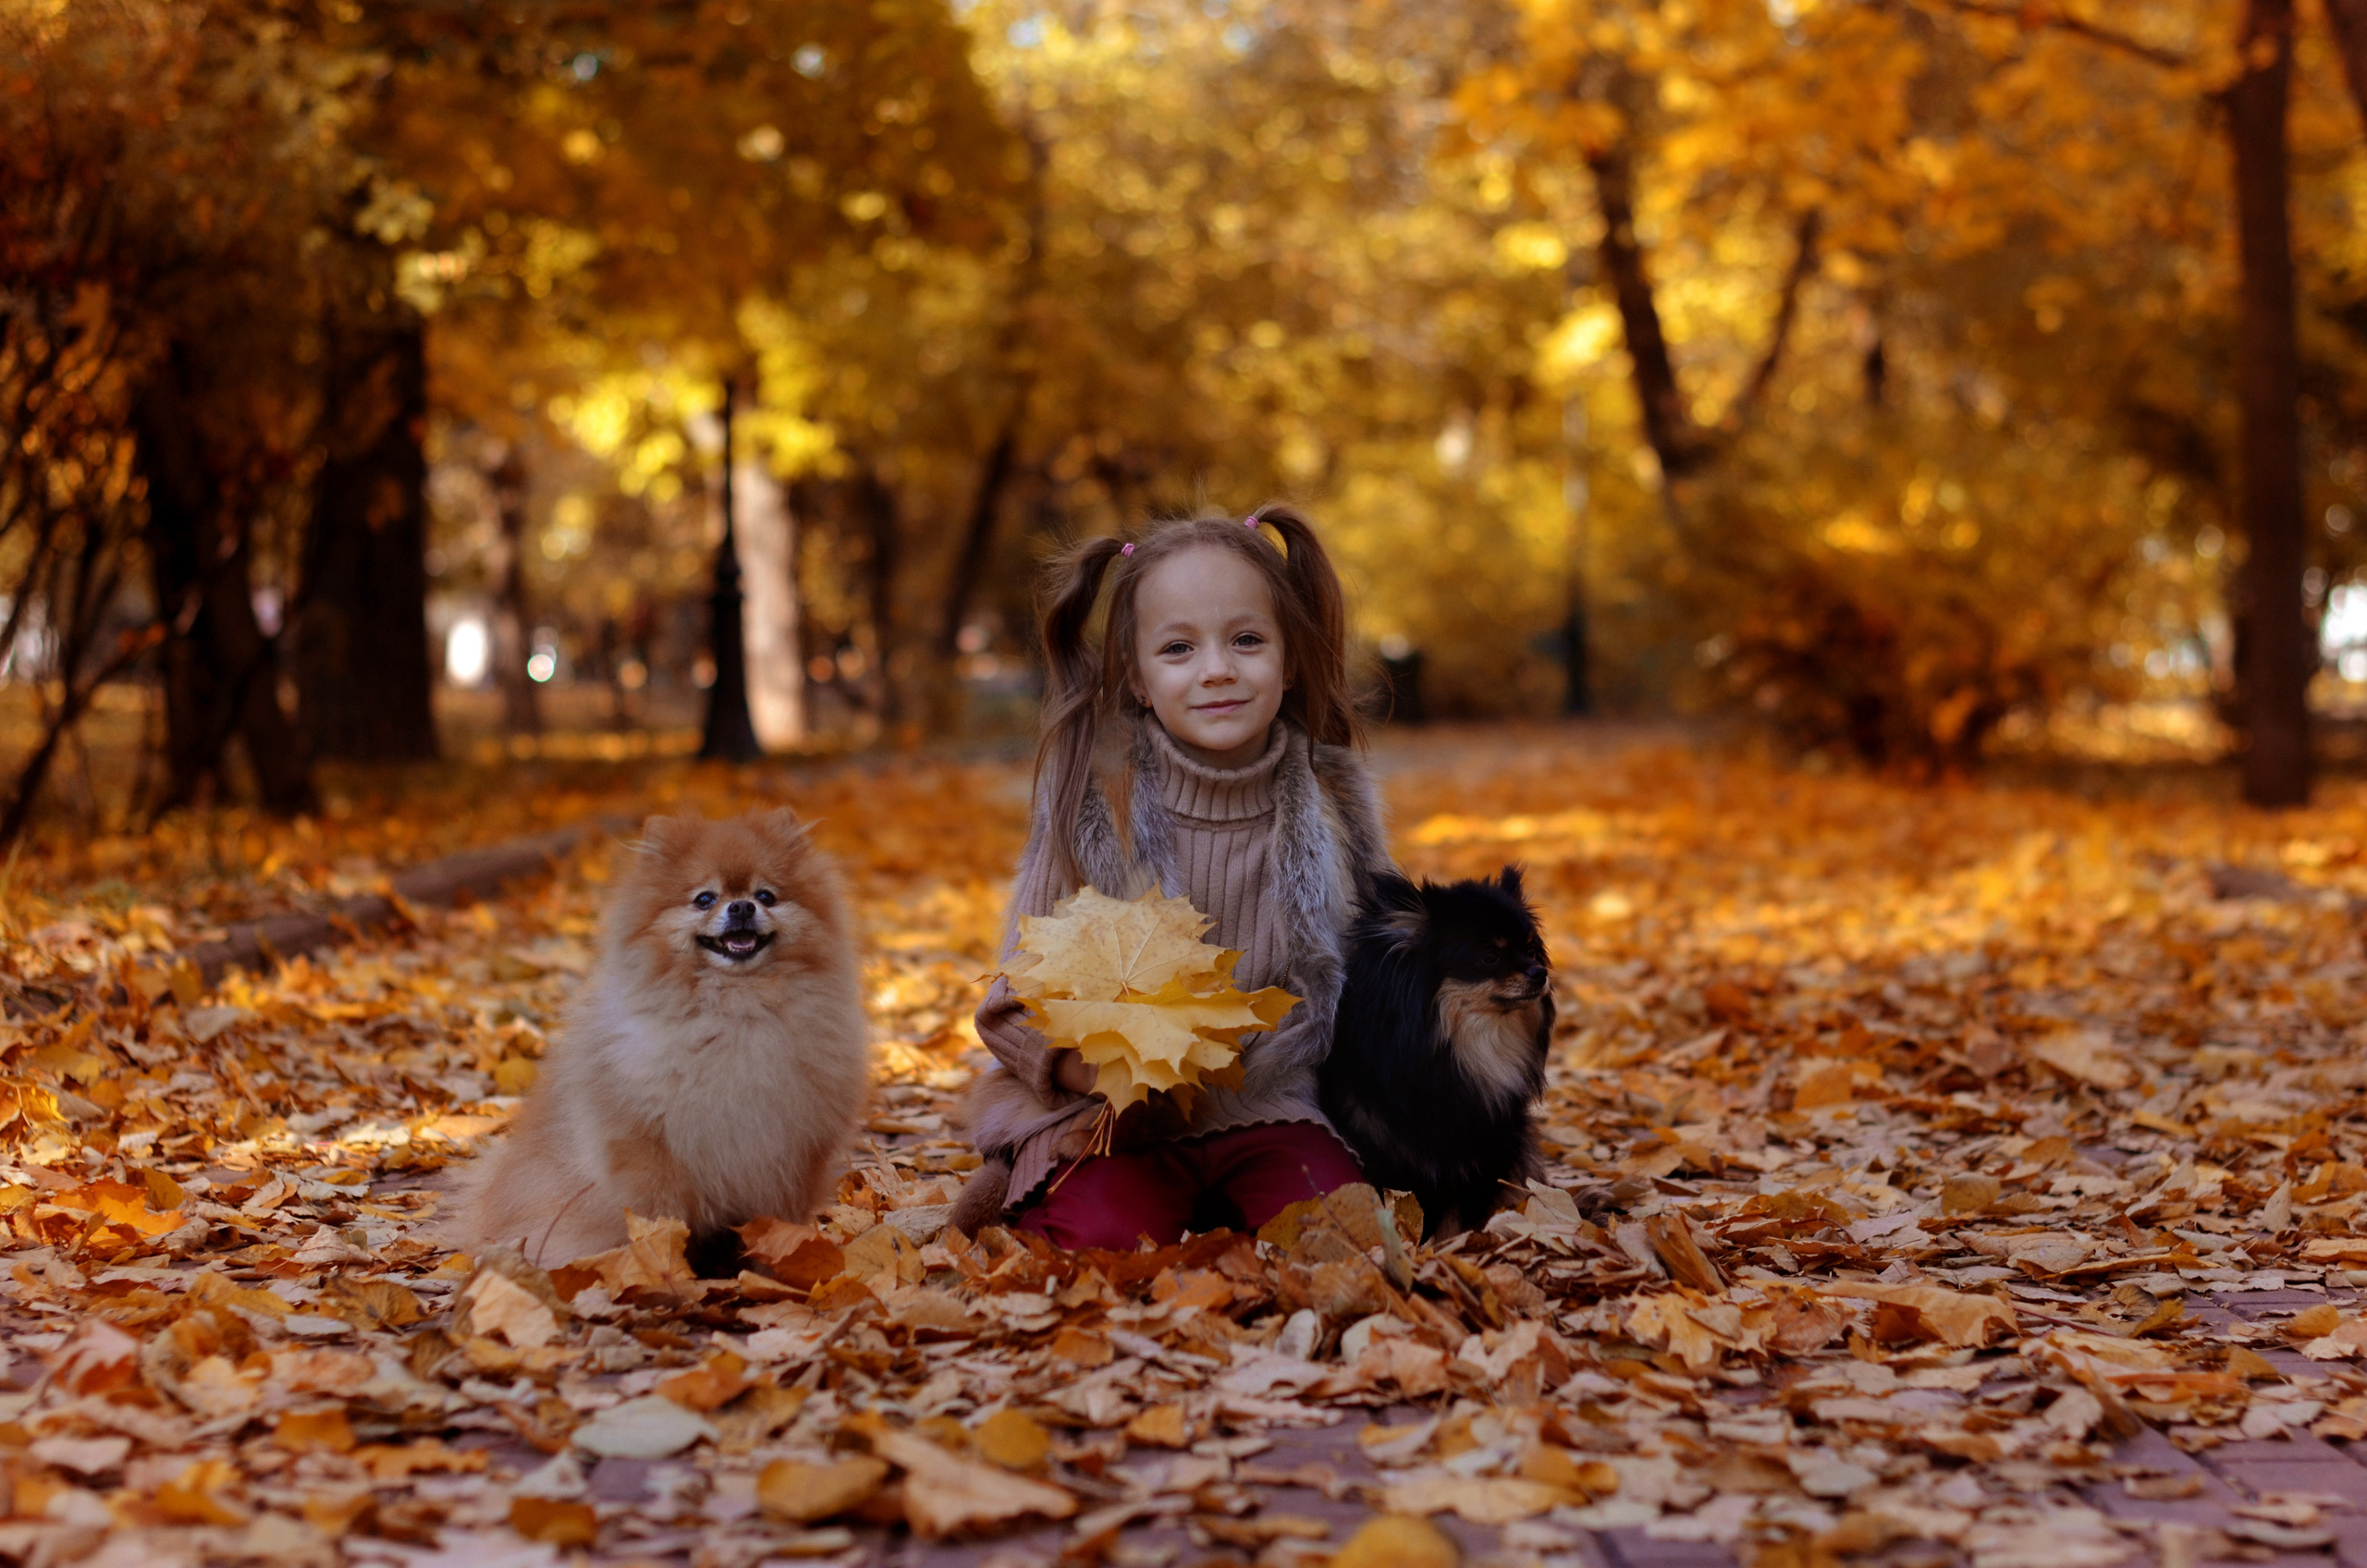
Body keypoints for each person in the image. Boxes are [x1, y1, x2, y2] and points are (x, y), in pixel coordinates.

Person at [954, 508, 1390, 1250]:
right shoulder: (1096, 806)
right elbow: (1011, 1005)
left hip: (1271, 1107)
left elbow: (1384, 983)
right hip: (1117, 1121)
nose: (1217, 668)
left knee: (1345, 1245)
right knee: (1095, 1249)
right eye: (1179, 648)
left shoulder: (1334, 805)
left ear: (1288, 663)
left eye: (1246, 640)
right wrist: (1085, 1069)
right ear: (1139, 679)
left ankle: (1236, 1208)